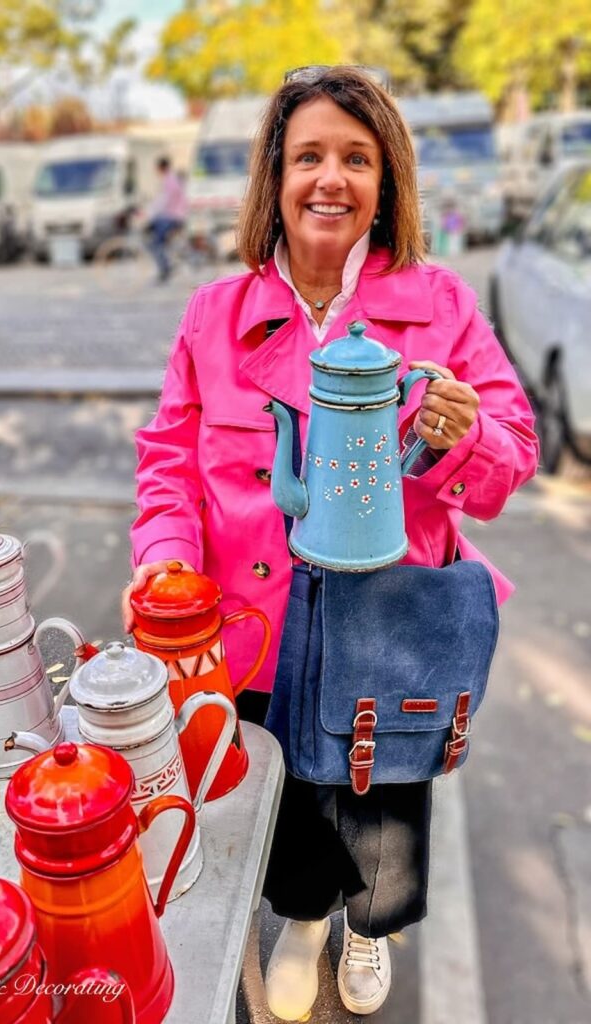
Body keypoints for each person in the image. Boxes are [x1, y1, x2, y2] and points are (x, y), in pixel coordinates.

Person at [123, 66, 538, 1019]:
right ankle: (306, 923)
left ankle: (367, 928)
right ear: (275, 175)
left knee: (386, 808)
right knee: (292, 811)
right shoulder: (214, 316)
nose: (330, 179)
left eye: (357, 158)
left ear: (386, 181)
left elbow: (513, 455)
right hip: (254, 624)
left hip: (391, 622)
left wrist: (460, 432)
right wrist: (163, 553)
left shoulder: (441, 307)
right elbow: (168, 461)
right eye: (308, 154)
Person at [147, 155, 188, 282]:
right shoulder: (172, 179)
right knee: (157, 238)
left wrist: (150, 213)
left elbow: (164, 201)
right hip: (174, 215)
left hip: (173, 217)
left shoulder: (169, 181)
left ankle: (165, 269)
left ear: (161, 168)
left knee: (155, 243)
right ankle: (167, 263)